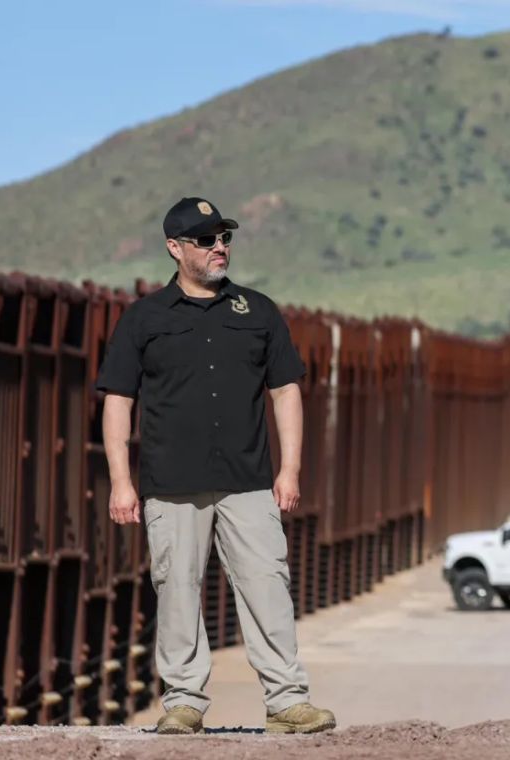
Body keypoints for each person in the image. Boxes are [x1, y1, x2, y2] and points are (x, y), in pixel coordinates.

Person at [96, 197, 335, 735]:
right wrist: (120, 481)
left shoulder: (259, 311)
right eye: (205, 240)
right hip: (171, 484)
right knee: (177, 588)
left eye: (224, 237)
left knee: (268, 584)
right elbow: (117, 400)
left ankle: (287, 701)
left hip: (248, 480)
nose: (219, 247)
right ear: (175, 249)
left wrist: (290, 469)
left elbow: (286, 390)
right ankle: (183, 702)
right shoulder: (145, 319)